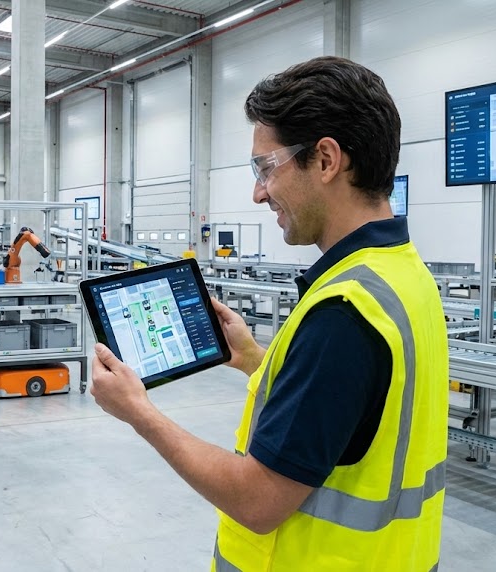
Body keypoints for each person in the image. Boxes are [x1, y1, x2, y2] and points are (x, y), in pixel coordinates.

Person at [89, 56, 448, 570]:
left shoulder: (345, 313)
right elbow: (349, 411)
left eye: (266, 167)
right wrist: (255, 359)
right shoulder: (403, 275)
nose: (259, 192)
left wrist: (139, 413)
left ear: (326, 160)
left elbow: (258, 501)